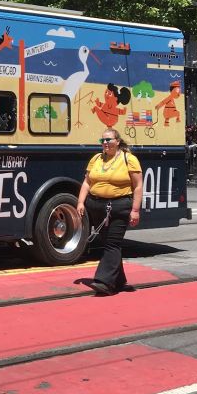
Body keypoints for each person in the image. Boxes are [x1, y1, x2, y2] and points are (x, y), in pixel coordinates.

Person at [76, 127, 143, 296]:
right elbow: (86, 183)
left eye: (108, 140)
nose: (105, 143)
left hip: (120, 206)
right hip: (97, 206)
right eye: (102, 141)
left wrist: (135, 210)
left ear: (117, 141)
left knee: (112, 243)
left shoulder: (130, 159)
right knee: (108, 243)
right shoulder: (96, 159)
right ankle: (119, 280)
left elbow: (138, 186)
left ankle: (104, 281)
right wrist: (80, 202)